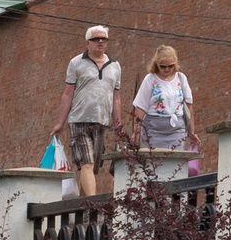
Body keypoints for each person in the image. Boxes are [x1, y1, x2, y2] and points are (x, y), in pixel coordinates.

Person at [50, 26, 122, 197]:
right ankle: (93, 206)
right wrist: (60, 123)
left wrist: (118, 123)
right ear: (87, 42)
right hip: (79, 120)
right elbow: (68, 94)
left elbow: (116, 97)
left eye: (103, 39)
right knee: (87, 163)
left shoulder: (115, 66)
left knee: (90, 168)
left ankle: (83, 208)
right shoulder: (76, 63)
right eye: (96, 39)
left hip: (102, 122)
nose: (100, 42)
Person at [131, 44, 197, 167]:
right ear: (157, 64)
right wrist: (136, 131)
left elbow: (189, 107)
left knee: (174, 165)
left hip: (176, 130)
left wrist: (191, 131)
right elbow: (140, 108)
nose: (167, 70)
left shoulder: (181, 78)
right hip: (153, 131)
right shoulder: (150, 79)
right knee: (154, 166)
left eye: (170, 66)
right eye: (163, 66)